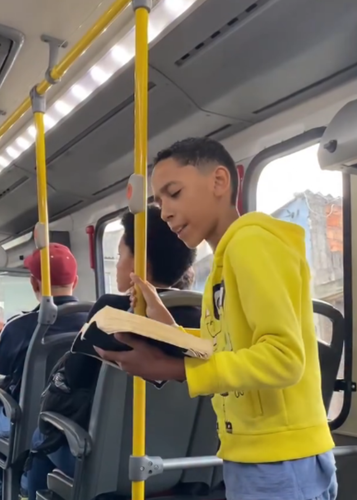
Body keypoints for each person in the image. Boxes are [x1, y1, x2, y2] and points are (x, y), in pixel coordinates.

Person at [95, 138, 337, 500]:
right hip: (254, 452)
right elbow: (234, 347)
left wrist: (172, 367)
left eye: (173, 194)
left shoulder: (251, 244)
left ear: (219, 182)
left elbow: (284, 359)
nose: (165, 213)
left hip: (281, 460)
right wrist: (172, 333)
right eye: (159, 203)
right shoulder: (226, 263)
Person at [22, 206, 199, 499]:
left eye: (119, 256)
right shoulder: (203, 318)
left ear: (138, 263)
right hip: (187, 466)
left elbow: (73, 378)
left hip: (111, 465)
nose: (117, 265)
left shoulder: (114, 309)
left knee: (43, 437)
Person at [0, 243, 88, 437]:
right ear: (75, 282)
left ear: (34, 283)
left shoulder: (18, 327)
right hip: (80, 418)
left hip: (24, 420)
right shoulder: (95, 322)